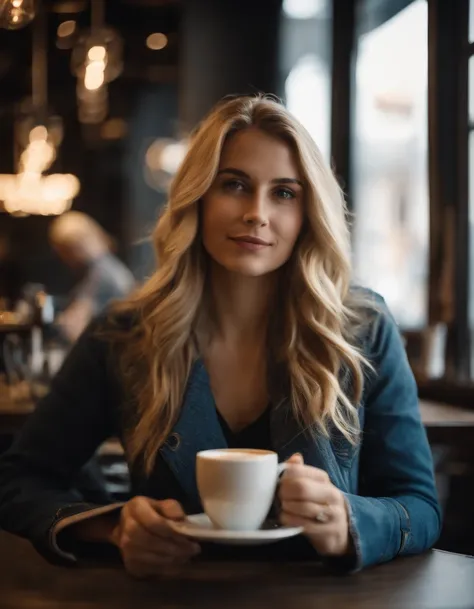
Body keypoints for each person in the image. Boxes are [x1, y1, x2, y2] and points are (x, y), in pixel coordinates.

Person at [0, 94, 441, 578]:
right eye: (234, 184)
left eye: (285, 193)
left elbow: (419, 506)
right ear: (198, 197)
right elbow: (19, 478)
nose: (257, 212)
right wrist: (111, 528)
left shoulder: (363, 329)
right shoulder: (124, 335)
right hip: (171, 600)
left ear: (308, 213)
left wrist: (350, 522)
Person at [48, 211, 135, 342]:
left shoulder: (102, 274)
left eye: (67, 249)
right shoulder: (107, 267)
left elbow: (74, 326)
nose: (66, 258)